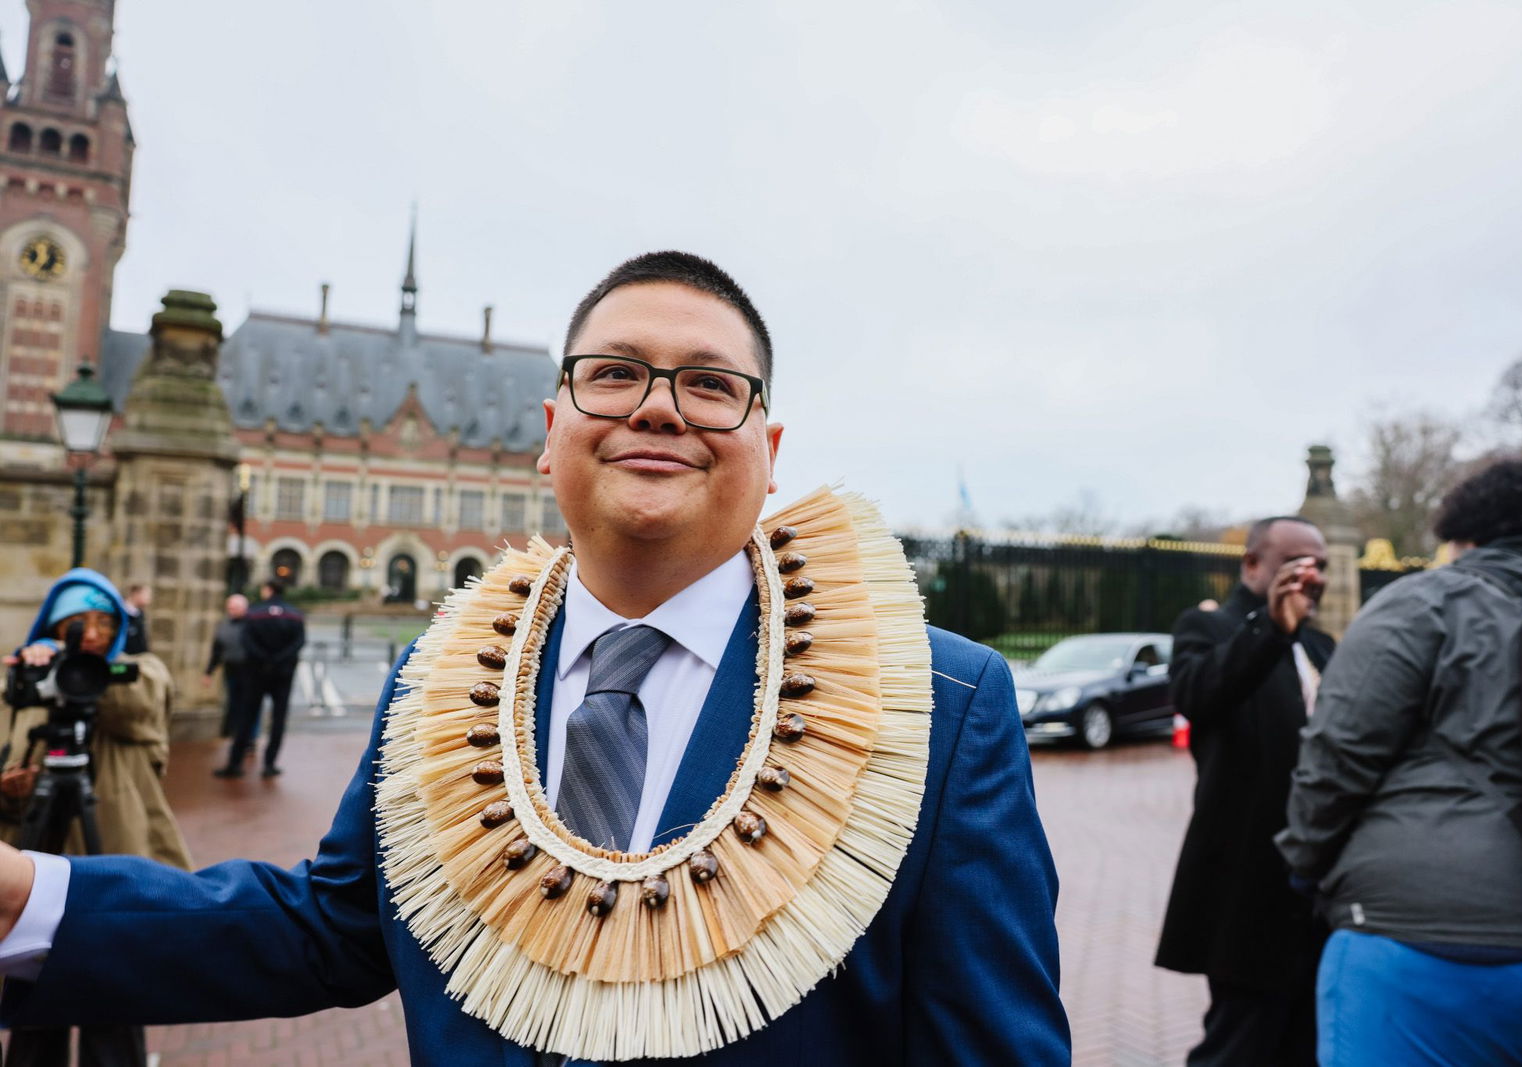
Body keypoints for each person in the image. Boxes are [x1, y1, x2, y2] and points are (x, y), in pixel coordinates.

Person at [0, 252, 1072, 1065]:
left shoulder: (938, 707)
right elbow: (334, 925)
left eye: (710, 385)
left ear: (769, 448)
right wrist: (24, 898)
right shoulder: (441, 675)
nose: (658, 405)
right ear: (550, 432)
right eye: (616, 374)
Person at [1277, 459, 1522, 1066]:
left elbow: (1337, 757)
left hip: (1417, 937)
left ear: (1467, 538)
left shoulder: (1425, 602)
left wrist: (1304, 863)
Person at [1154, 515, 1334, 1066]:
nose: (1312, 577)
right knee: (1240, 1042)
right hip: (1248, 876)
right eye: (1296, 565)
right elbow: (1197, 695)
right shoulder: (1209, 627)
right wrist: (1271, 628)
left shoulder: (1322, 645)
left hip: (1320, 882)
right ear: (1253, 564)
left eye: (1321, 566)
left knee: (1307, 1042)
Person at [0, 569, 192, 1066]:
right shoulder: (30, 679)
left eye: (104, 622)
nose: (92, 634)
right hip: (39, 866)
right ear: (52, 626)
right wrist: (9, 790)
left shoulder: (138, 672)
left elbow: (140, 707)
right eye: (77, 623)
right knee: (36, 1013)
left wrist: (78, 668)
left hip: (115, 860)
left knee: (113, 1006)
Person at [214, 580, 304, 778]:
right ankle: (270, 764)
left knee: (247, 716)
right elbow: (299, 642)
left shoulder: (255, 613)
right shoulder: (295, 614)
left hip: (256, 672)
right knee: (278, 719)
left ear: (267, 590)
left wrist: (265, 659)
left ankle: (235, 763)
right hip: (283, 674)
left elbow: (247, 640)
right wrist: (279, 659)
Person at [202, 594, 251, 739]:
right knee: (232, 701)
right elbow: (217, 651)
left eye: (234, 608)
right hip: (231, 668)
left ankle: (248, 736)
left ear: (244, 608)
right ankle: (231, 731)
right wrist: (208, 672)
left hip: (249, 669)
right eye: (229, 608)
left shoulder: (252, 625)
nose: (231, 611)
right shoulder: (224, 625)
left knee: (248, 703)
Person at [119, 584, 150, 657]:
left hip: (139, 657)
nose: (149, 598)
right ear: (136, 594)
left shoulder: (140, 614)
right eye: (146, 595)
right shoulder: (121, 612)